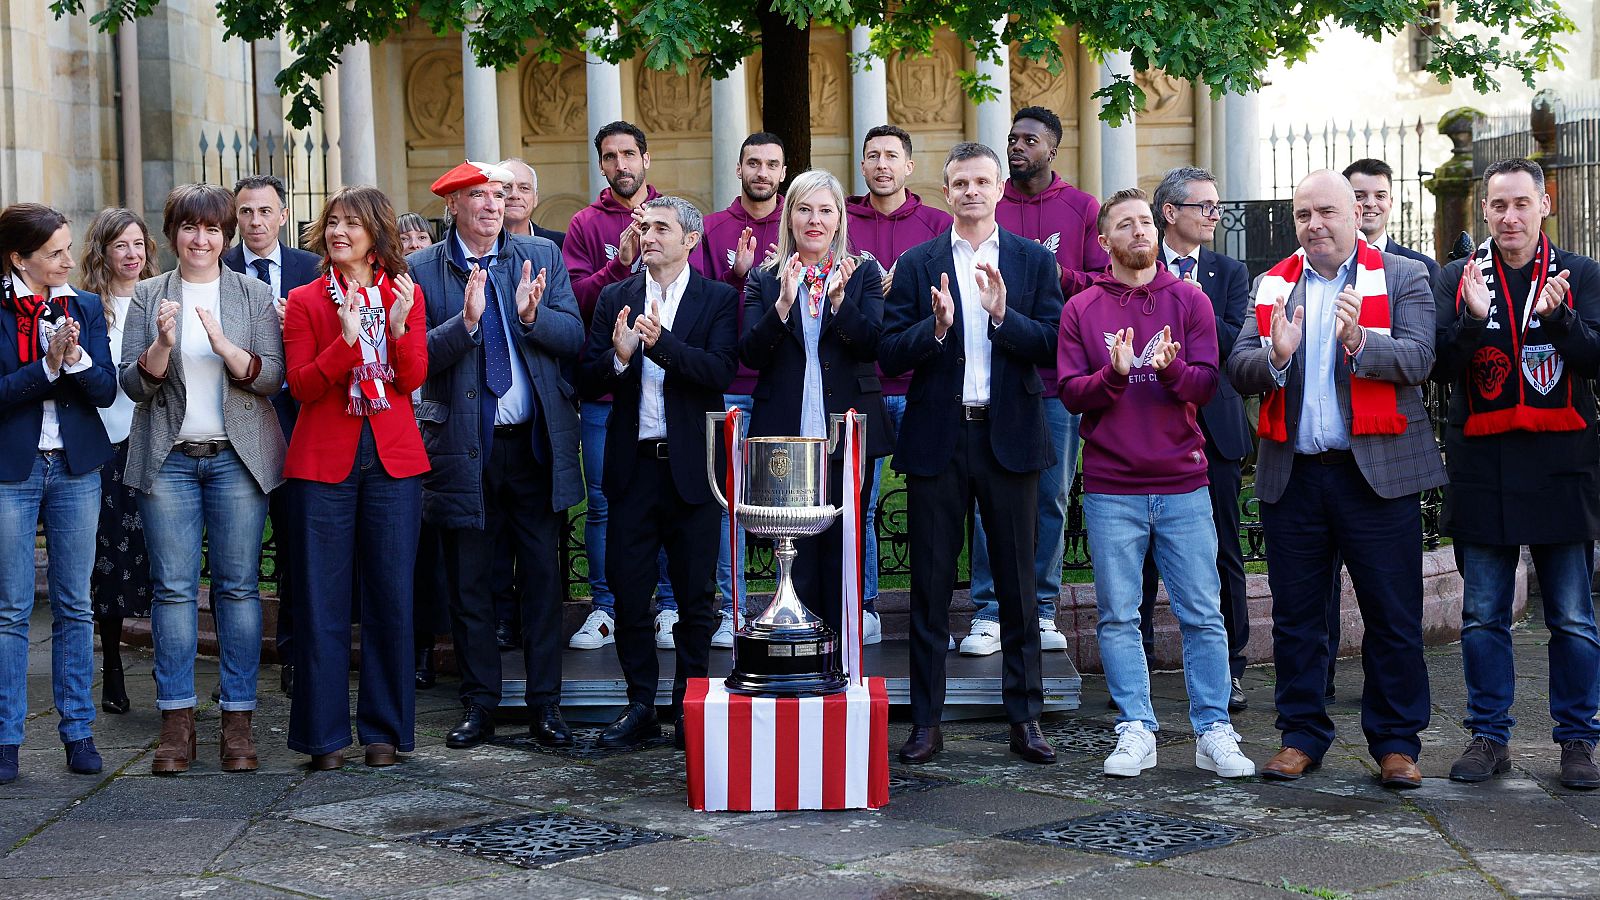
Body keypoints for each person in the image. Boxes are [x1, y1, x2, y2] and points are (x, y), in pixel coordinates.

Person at [1226, 170, 1444, 789]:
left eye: (1326, 212)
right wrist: (1277, 355)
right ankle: (1300, 736)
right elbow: (1238, 365)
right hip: (1294, 477)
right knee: (1297, 617)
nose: (1314, 224)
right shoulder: (1273, 285)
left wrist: (1361, 342)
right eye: (1303, 215)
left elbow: (1421, 358)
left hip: (1374, 477)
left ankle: (1397, 744)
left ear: (1355, 215)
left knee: (1393, 615)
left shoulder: (1403, 277)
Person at [1059, 188, 1254, 779]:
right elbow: (1070, 393)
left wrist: (1169, 369)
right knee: (1118, 615)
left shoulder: (1189, 300)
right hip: (1112, 485)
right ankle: (1135, 727)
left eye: (1145, 221)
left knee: (1203, 613)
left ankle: (1214, 728)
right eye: (1126, 224)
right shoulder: (1082, 309)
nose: (1140, 231)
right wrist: (1113, 377)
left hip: (1183, 484)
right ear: (1105, 240)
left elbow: (1204, 385)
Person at [881, 142, 1063, 766]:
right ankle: (926, 723)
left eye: (982, 181)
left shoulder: (1032, 262)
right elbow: (889, 351)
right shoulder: (918, 261)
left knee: (1017, 586)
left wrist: (1002, 315)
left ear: (997, 188)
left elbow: (1051, 345)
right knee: (929, 586)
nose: (971, 192)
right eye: (959, 182)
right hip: (939, 436)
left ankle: (1026, 719)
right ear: (946, 190)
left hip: (1006, 434)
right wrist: (935, 330)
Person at [1434, 158, 1600, 790]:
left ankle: (1579, 741)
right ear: (1484, 211)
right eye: (1498, 205)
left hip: (1562, 469)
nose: (1510, 216)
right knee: (1481, 615)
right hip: (1485, 469)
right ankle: (1487, 736)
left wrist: (1560, 319)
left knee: (1572, 617)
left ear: (1544, 205)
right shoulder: (1460, 276)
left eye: (1521, 204)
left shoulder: (1581, 274)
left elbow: (1594, 357)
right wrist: (1473, 320)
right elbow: (1439, 371)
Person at [412, 160, 583, 750]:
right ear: (452, 207)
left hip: (532, 448)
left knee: (541, 582)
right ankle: (479, 703)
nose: (491, 204)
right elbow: (416, 361)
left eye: (498, 194)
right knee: (471, 585)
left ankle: (546, 707)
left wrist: (532, 316)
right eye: (477, 196)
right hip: (462, 449)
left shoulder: (541, 257)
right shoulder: (421, 270)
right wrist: (465, 322)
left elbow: (575, 339)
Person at [121, 183, 286, 775]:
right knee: (173, 590)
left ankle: (238, 721)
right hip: (169, 458)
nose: (201, 239)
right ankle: (176, 720)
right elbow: (134, 387)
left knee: (239, 589)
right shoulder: (148, 295)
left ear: (226, 235)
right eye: (190, 228)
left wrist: (223, 345)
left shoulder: (252, 292)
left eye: (213, 228)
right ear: (173, 235)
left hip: (236, 459)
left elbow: (271, 379)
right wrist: (162, 347)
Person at [579, 196, 737, 749]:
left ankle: (689, 705)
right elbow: (585, 375)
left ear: (690, 239)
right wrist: (620, 358)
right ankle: (640, 703)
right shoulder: (615, 296)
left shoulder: (716, 298)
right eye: (643, 227)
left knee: (696, 597)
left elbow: (719, 368)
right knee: (629, 593)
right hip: (634, 467)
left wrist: (660, 345)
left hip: (693, 469)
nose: (647, 235)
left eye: (661, 228)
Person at [283, 186, 429, 770]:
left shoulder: (405, 293)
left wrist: (395, 327)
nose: (339, 231)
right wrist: (346, 342)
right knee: (320, 600)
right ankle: (323, 738)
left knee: (392, 598)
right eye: (333, 222)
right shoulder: (304, 299)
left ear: (376, 232)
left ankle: (384, 732)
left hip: (393, 457)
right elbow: (301, 385)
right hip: (324, 460)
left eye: (351, 223)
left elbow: (411, 378)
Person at [962, 106, 1108, 658]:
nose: (1017, 147)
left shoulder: (1080, 208)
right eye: (1012, 139)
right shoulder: (992, 205)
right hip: (990, 380)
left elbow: (1101, 277)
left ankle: (1041, 609)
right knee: (986, 500)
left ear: (1053, 149)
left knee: (1048, 497)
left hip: (1051, 378)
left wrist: (1053, 274)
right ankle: (988, 611)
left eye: (1029, 140)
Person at [741, 169, 892, 641]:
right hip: (787, 429)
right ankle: (798, 638)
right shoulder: (765, 279)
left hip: (847, 427)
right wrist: (783, 304)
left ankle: (843, 641)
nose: (814, 220)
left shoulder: (863, 271)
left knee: (843, 535)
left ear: (840, 219)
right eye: (804, 209)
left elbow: (872, 345)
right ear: (789, 218)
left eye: (825, 210)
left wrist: (842, 305)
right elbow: (748, 353)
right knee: (795, 539)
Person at [0, 203, 117, 785]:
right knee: (11, 609)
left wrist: (75, 358)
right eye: (54, 253)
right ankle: (6, 738)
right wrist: (45, 368)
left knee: (76, 603)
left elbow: (105, 390)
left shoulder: (87, 306)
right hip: (12, 470)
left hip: (75, 468)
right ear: (19, 259)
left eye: (68, 248)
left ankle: (78, 730)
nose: (69, 261)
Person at [1136, 168, 1253, 712]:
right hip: (1148, 424)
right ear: (1170, 213)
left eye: (1215, 205)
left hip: (1214, 427)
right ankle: (1136, 660)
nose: (1214, 215)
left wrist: (1186, 299)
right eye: (1203, 206)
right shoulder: (1138, 264)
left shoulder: (1229, 272)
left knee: (1224, 549)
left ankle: (1232, 665)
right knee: (1141, 554)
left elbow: (1233, 343)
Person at [564, 121, 678, 653]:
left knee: (671, 495)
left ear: (646, 159)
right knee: (605, 502)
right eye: (610, 157)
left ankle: (671, 609)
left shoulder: (673, 214)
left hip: (664, 390)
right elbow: (577, 300)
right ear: (602, 165)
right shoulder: (585, 223)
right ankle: (606, 608)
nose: (621, 165)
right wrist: (621, 264)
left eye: (629, 154)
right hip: (606, 394)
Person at [848, 124, 954, 646]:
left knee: (932, 501)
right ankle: (862, 604)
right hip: (863, 381)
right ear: (862, 165)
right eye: (873, 156)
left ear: (909, 166)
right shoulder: (841, 220)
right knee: (859, 500)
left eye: (892, 155)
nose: (882, 164)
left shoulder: (937, 224)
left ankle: (935, 608)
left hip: (923, 383)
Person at [223, 174, 322, 698]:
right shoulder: (219, 269)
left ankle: (294, 655)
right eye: (245, 213)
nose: (255, 222)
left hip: (298, 420)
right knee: (235, 555)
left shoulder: (310, 269)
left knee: (296, 548)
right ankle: (234, 667)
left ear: (283, 215)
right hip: (237, 419)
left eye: (264, 212)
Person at [695, 132, 785, 647]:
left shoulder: (795, 227)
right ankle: (732, 609)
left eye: (771, 164)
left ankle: (782, 601)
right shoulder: (711, 229)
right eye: (753, 162)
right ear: (739, 168)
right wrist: (740, 279)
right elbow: (703, 305)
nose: (761, 173)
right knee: (728, 502)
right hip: (727, 387)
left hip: (777, 386)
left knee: (780, 501)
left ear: (782, 171)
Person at [78, 208, 159, 715]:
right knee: (109, 561)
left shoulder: (160, 298)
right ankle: (111, 668)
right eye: (121, 245)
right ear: (103, 251)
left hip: (155, 441)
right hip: (105, 445)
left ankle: (168, 667)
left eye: (138, 244)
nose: (132, 255)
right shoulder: (90, 306)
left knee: (163, 558)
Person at [1343, 158, 1441, 282]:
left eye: (1380, 196)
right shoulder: (1326, 264)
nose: (1370, 203)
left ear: (1390, 202)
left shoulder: (1426, 268)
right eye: (1359, 196)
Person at [500, 158, 566, 247]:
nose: (514, 195)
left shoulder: (560, 243)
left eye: (524, 188)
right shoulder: (477, 244)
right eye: (506, 187)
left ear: (535, 198)